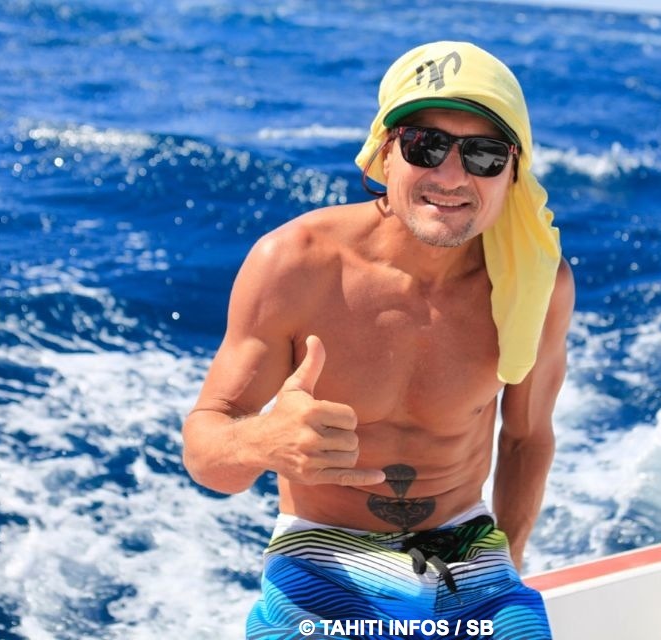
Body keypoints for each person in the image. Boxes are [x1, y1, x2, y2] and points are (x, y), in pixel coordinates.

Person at [182, 40, 574, 639]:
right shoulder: (295, 265)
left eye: (484, 154)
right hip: (321, 558)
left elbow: (526, 437)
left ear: (513, 171)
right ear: (384, 153)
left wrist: (508, 564)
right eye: (425, 145)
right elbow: (207, 456)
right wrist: (261, 441)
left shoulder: (533, 285)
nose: (452, 176)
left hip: (467, 553)